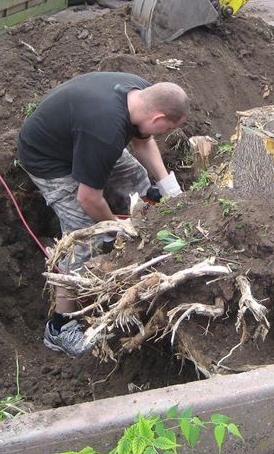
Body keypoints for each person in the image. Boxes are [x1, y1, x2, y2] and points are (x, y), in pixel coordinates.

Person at [17, 71, 189, 356]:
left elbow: (143, 141)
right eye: (167, 130)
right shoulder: (106, 131)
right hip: (48, 158)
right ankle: (60, 327)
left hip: (80, 139)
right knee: (85, 238)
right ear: (158, 118)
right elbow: (88, 197)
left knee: (136, 177)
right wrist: (114, 230)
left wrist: (169, 188)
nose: (165, 135)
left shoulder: (142, 94)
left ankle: (154, 232)